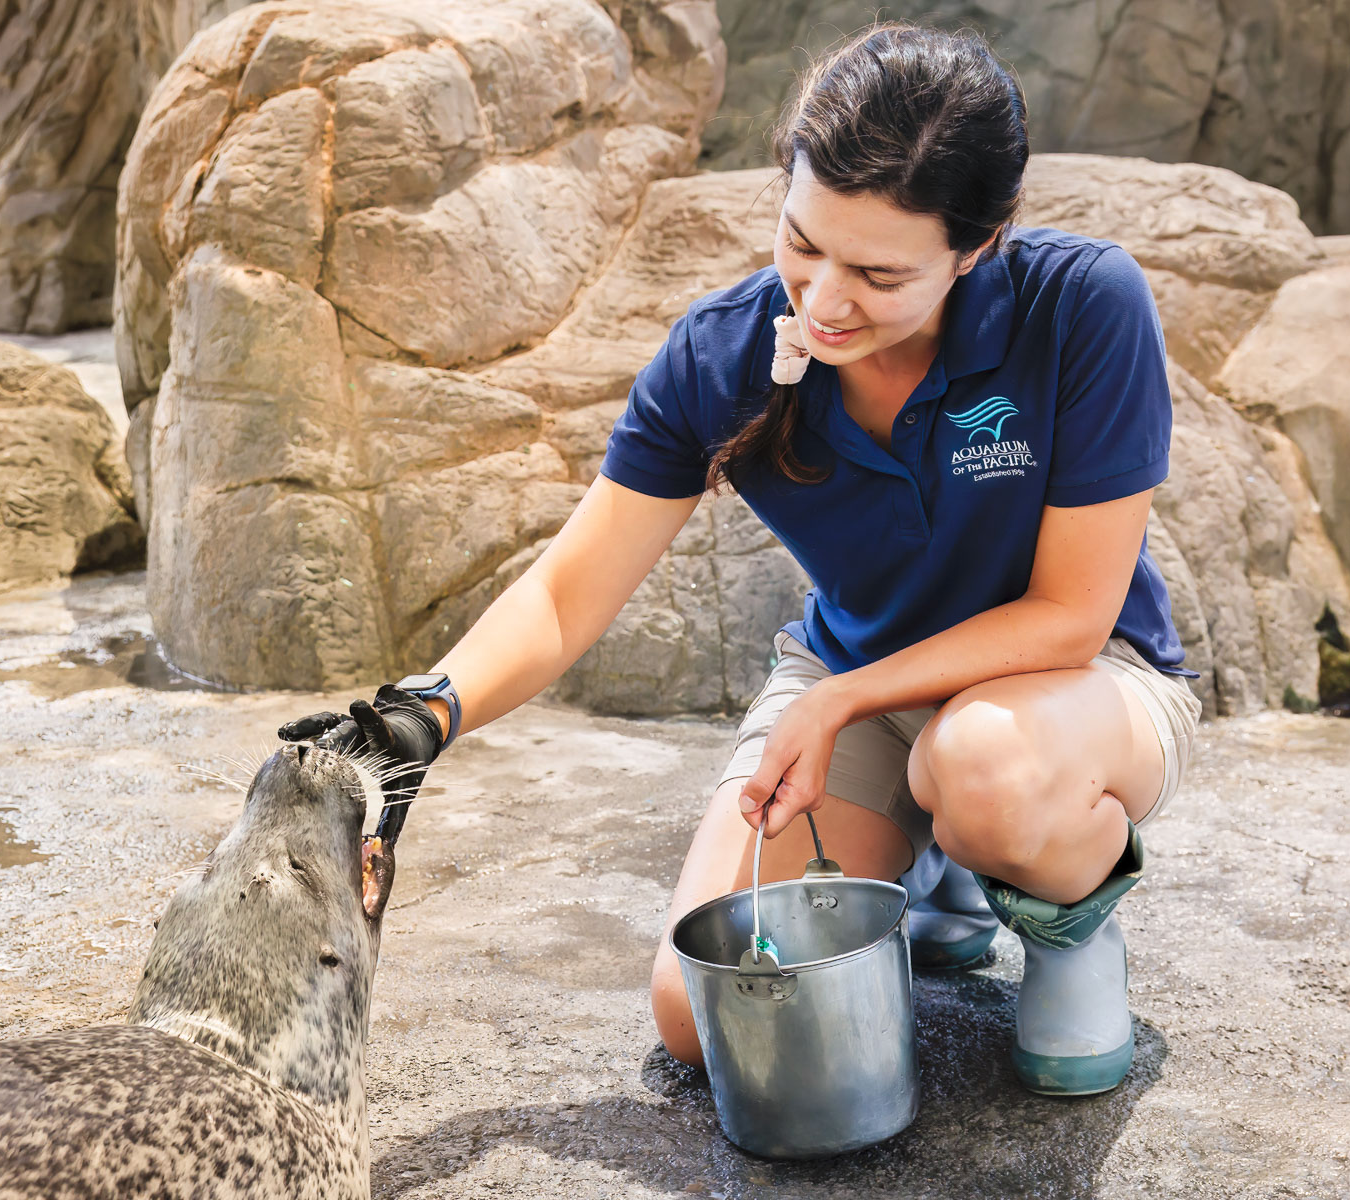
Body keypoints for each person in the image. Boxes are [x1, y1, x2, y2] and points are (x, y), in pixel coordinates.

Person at [278, 21, 1202, 1098]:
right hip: (862, 694)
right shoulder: (719, 354)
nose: (823, 301)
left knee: (983, 769)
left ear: (980, 245)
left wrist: (839, 703)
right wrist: (422, 717)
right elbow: (573, 593)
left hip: (1076, 693)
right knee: (703, 1017)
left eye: (878, 272)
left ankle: (1064, 922)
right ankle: (932, 858)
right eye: (802, 243)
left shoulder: (1082, 306)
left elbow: (1071, 615)